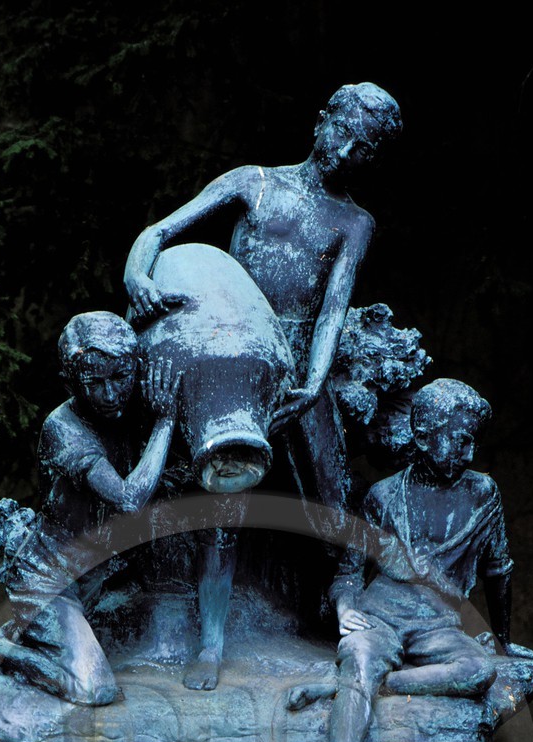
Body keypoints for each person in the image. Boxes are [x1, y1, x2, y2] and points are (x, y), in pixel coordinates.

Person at [124, 83, 402, 689]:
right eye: (343, 130)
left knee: (333, 491)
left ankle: (349, 617)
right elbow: (159, 232)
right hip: (235, 361)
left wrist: (313, 381)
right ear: (321, 120)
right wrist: (136, 275)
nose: (346, 148)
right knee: (225, 499)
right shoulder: (252, 181)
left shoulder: (354, 221)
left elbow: (333, 309)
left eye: (362, 148)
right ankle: (212, 642)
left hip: (302, 365)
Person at [304, 378, 517, 742]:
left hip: (436, 624)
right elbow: (348, 572)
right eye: (459, 439)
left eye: (473, 440)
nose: (468, 451)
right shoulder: (384, 496)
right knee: (360, 655)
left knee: (478, 670)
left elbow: (499, 571)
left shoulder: (484, 494)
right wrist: (344, 609)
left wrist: (502, 641)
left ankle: (369, 684)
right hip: (380, 613)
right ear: (423, 437)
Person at [0, 311, 178, 704]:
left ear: (136, 370)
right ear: (71, 383)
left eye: (120, 378)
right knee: (96, 689)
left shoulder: (133, 411)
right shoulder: (63, 427)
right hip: (49, 575)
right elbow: (128, 498)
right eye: (95, 383)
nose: (110, 394)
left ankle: (29, 635)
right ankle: (4, 651)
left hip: (101, 574)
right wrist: (166, 424)